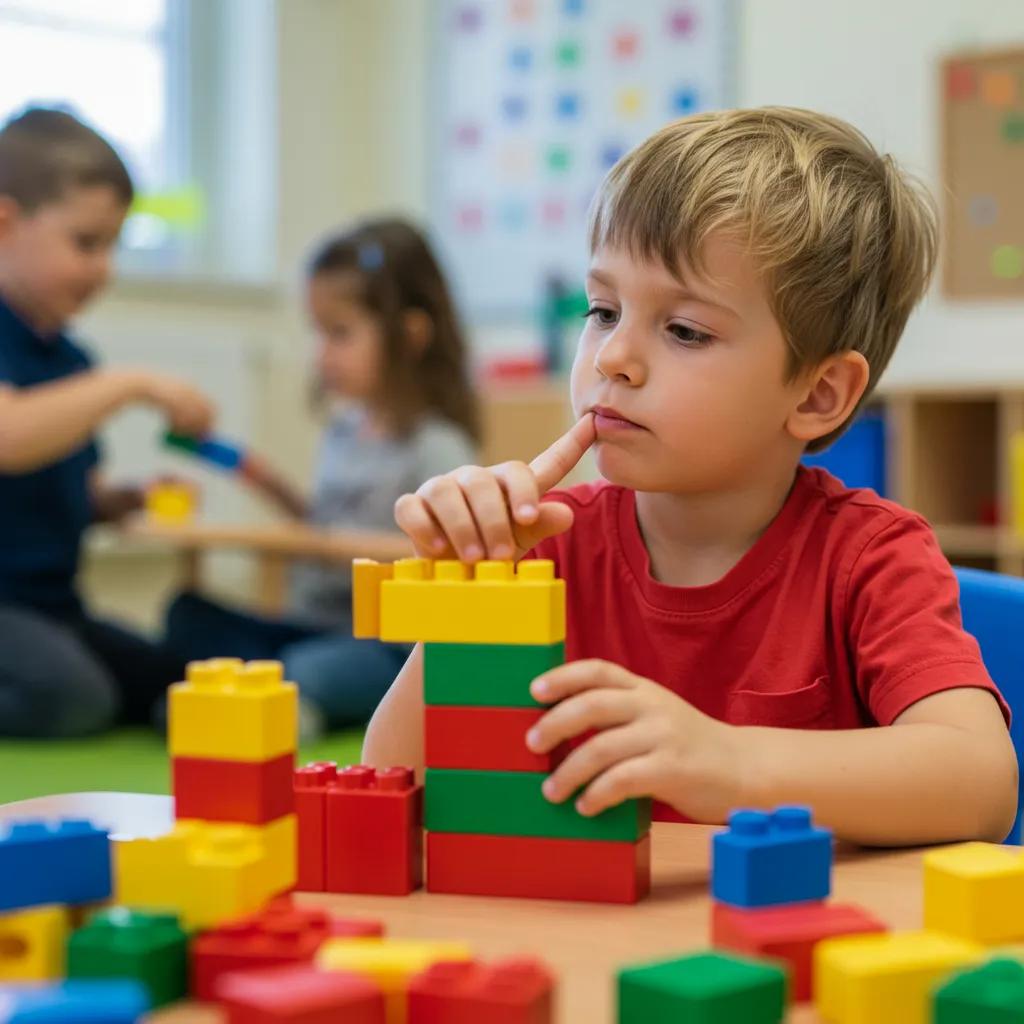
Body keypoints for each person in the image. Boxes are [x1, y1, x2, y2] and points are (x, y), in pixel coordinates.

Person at [364, 107, 1018, 846]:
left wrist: (729, 762)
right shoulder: (543, 547)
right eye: (603, 309)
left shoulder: (872, 558)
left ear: (817, 394)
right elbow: (392, 791)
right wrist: (467, 601)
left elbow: (981, 780)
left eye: (684, 330)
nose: (613, 357)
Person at [166, 218, 479, 734]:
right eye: (318, 333)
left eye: (339, 333)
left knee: (308, 670)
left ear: (410, 334)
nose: (321, 354)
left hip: (378, 642)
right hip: (307, 624)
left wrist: (328, 541)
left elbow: (441, 558)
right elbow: (322, 524)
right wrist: (264, 482)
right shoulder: (343, 430)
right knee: (187, 616)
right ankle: (256, 698)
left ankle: (267, 708)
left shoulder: (437, 444)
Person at [0, 108, 214, 737]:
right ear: (5, 224)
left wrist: (120, 500)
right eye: (86, 243)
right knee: (74, 696)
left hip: (50, 607)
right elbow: (10, 437)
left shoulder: (70, 360)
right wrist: (133, 383)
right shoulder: (87, 377)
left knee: (173, 679)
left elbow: (57, 490)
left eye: (113, 246)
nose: (105, 268)